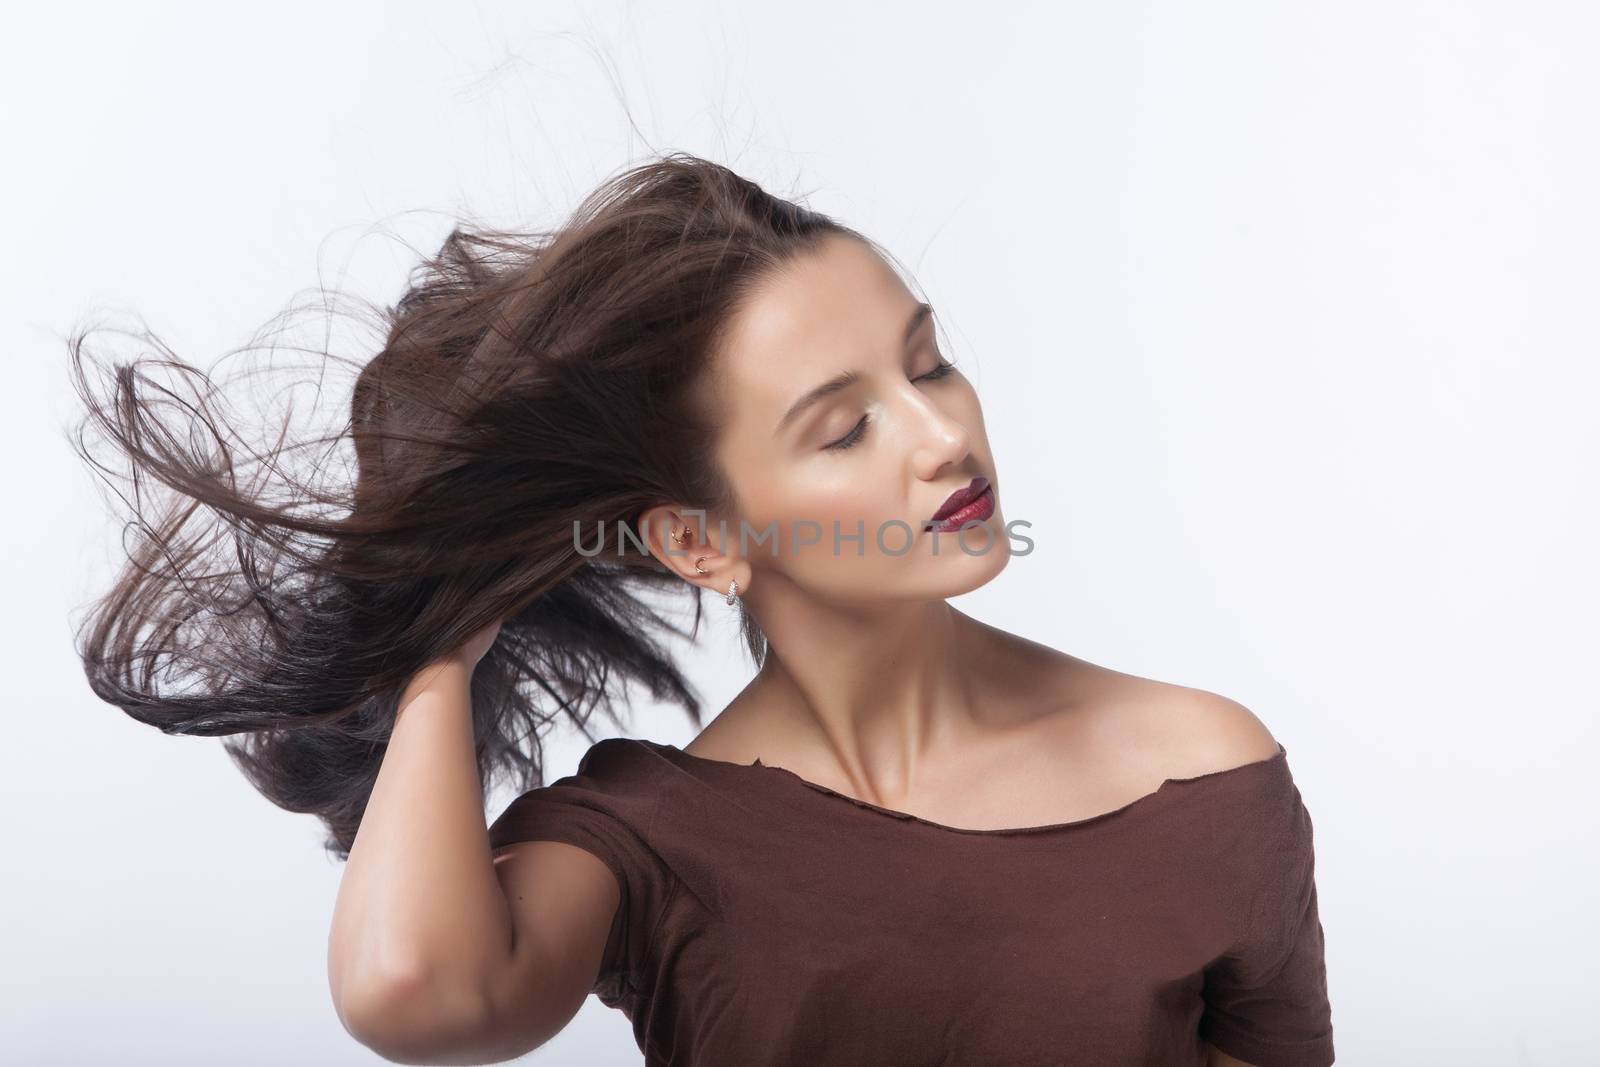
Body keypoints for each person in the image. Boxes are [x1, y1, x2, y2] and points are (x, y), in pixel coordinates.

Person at [69, 152, 1334, 1065]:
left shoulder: (1202, 773)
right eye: (845, 428)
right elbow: (414, 994)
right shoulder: (646, 838)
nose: (944, 433)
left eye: (929, 359)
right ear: (702, 541)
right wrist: (440, 645)